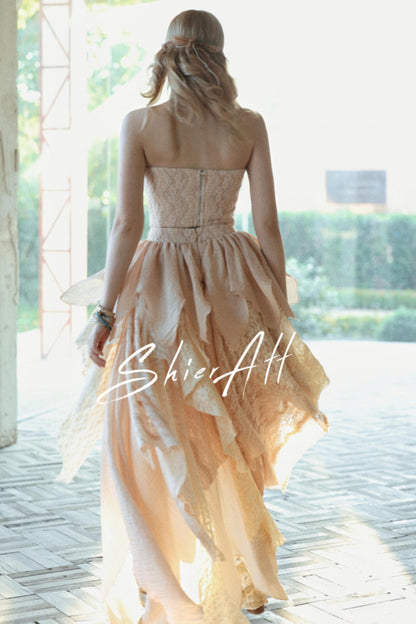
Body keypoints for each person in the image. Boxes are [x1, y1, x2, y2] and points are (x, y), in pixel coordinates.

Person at [54, 9, 330, 624]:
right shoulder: (249, 125)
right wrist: (276, 309)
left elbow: (127, 224)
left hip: (161, 285)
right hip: (233, 283)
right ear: (219, 54)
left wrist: (105, 313)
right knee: (225, 430)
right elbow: (267, 225)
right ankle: (223, 571)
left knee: (145, 429)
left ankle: (166, 583)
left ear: (166, 52)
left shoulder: (141, 123)